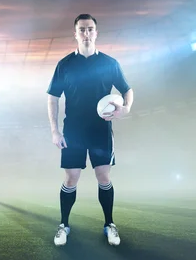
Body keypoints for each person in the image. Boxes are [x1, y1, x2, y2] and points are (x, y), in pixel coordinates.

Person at [46, 14, 134, 246]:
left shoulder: (109, 63)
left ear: (96, 33)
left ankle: (109, 224)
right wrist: (55, 131)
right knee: (72, 177)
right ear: (75, 33)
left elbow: (127, 90)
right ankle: (64, 225)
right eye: (82, 29)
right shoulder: (64, 65)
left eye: (90, 29)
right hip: (73, 130)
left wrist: (125, 108)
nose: (86, 33)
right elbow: (52, 98)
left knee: (103, 175)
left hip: (100, 130)